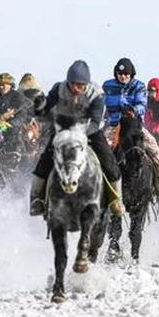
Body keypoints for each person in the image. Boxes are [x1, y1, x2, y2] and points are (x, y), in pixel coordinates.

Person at [30, 60, 125, 217]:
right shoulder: (58, 88)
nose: (76, 88)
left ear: (86, 84)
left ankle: (116, 199)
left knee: (109, 162)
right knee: (45, 159)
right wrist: (39, 106)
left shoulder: (96, 94)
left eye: (80, 86)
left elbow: (96, 121)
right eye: (73, 84)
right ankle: (36, 199)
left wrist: (80, 133)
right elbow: (44, 108)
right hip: (63, 131)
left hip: (90, 131)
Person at [101, 58, 159, 199]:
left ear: (131, 74)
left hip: (133, 126)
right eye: (120, 74)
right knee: (101, 150)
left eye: (126, 74)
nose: (123, 77)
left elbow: (142, 104)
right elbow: (101, 104)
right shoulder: (107, 86)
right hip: (113, 126)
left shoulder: (138, 86)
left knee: (154, 149)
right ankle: (100, 184)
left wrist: (133, 110)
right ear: (116, 74)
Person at [0, 73, 32, 151]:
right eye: (0, 84)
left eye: (5, 84)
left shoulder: (18, 97)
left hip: (13, 128)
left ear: (10, 85)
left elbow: (23, 115)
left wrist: (9, 123)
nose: (2, 86)